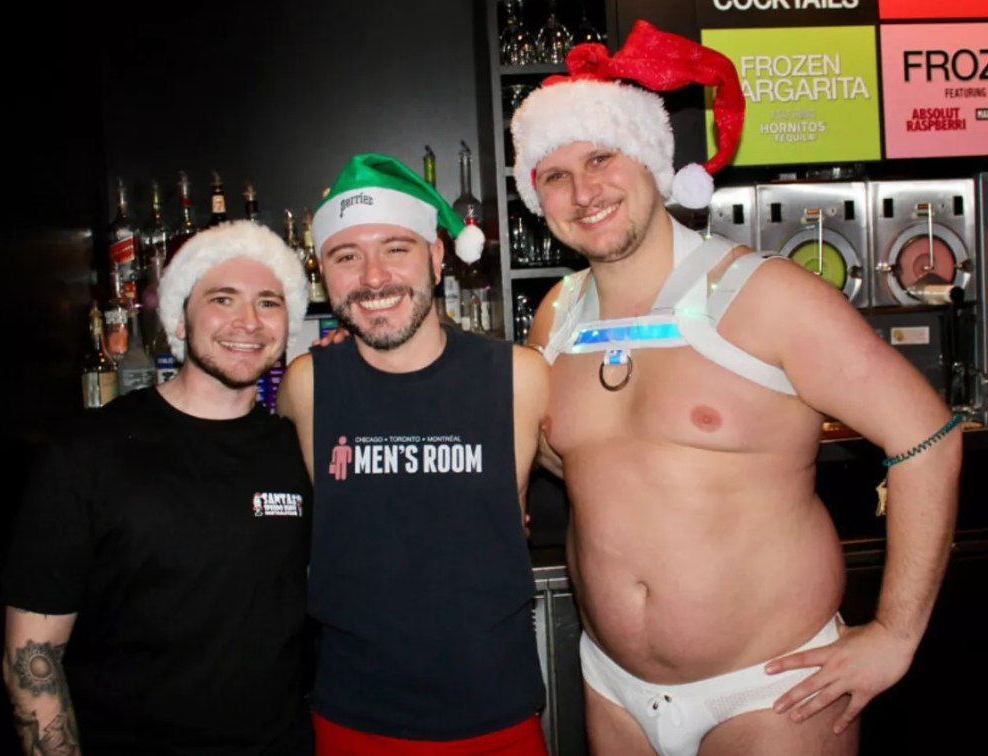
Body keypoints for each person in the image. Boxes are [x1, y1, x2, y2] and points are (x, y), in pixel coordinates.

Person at [510, 20, 962, 756]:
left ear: (651, 162)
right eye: (553, 176)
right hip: (614, 689)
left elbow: (928, 436)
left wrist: (895, 633)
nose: (583, 191)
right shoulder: (558, 315)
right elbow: (580, 459)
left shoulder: (764, 295)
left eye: (600, 158)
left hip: (771, 691)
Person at [0, 220, 316, 755]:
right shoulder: (87, 453)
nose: (248, 322)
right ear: (179, 318)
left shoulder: (295, 448)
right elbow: (31, 660)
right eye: (223, 299)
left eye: (269, 302)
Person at [277, 153, 550, 755]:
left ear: (436, 255)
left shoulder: (520, 377)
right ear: (323, 272)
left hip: (497, 712)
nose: (373, 278)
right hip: (351, 716)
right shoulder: (306, 386)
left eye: (396, 248)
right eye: (346, 256)